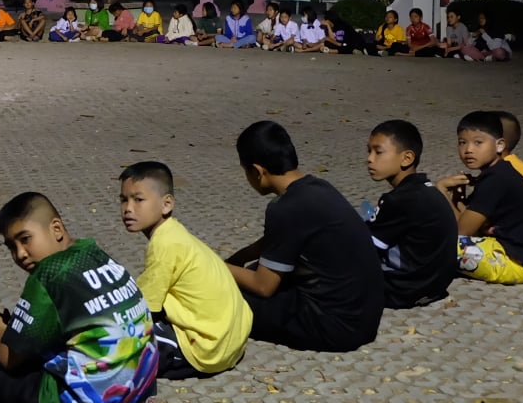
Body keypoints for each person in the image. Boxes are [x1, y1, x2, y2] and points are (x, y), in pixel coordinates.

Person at [0, 192, 157, 403]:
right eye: (12, 246)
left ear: (56, 229)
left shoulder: (50, 274)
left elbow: (9, 358)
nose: (20, 253)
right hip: (139, 398)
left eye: (25, 239)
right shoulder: (95, 254)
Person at [223, 121, 385, 352]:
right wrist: (238, 259)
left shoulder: (284, 208)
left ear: (257, 171)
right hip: (364, 319)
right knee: (255, 269)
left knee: (224, 296)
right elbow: (276, 241)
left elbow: (263, 286)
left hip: (336, 328)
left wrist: (217, 266)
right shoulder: (318, 187)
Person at [119, 161, 251, 380]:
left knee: (120, 341)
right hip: (231, 342)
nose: (128, 208)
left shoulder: (164, 244)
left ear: (166, 204)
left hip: (208, 349)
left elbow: (143, 307)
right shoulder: (175, 233)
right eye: (124, 199)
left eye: (138, 200)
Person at [436, 112, 523, 285]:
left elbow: (462, 231)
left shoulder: (496, 179)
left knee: (436, 241)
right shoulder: (499, 172)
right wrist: (457, 200)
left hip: (522, 264)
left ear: (499, 145)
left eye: (478, 142)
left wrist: (442, 191)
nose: (468, 149)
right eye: (462, 142)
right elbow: (471, 222)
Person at [363, 120, 458, 309]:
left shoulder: (398, 200)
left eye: (378, 152)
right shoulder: (428, 191)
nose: (370, 159)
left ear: (407, 158)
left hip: (402, 291)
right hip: (435, 287)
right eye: (369, 151)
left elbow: (365, 250)